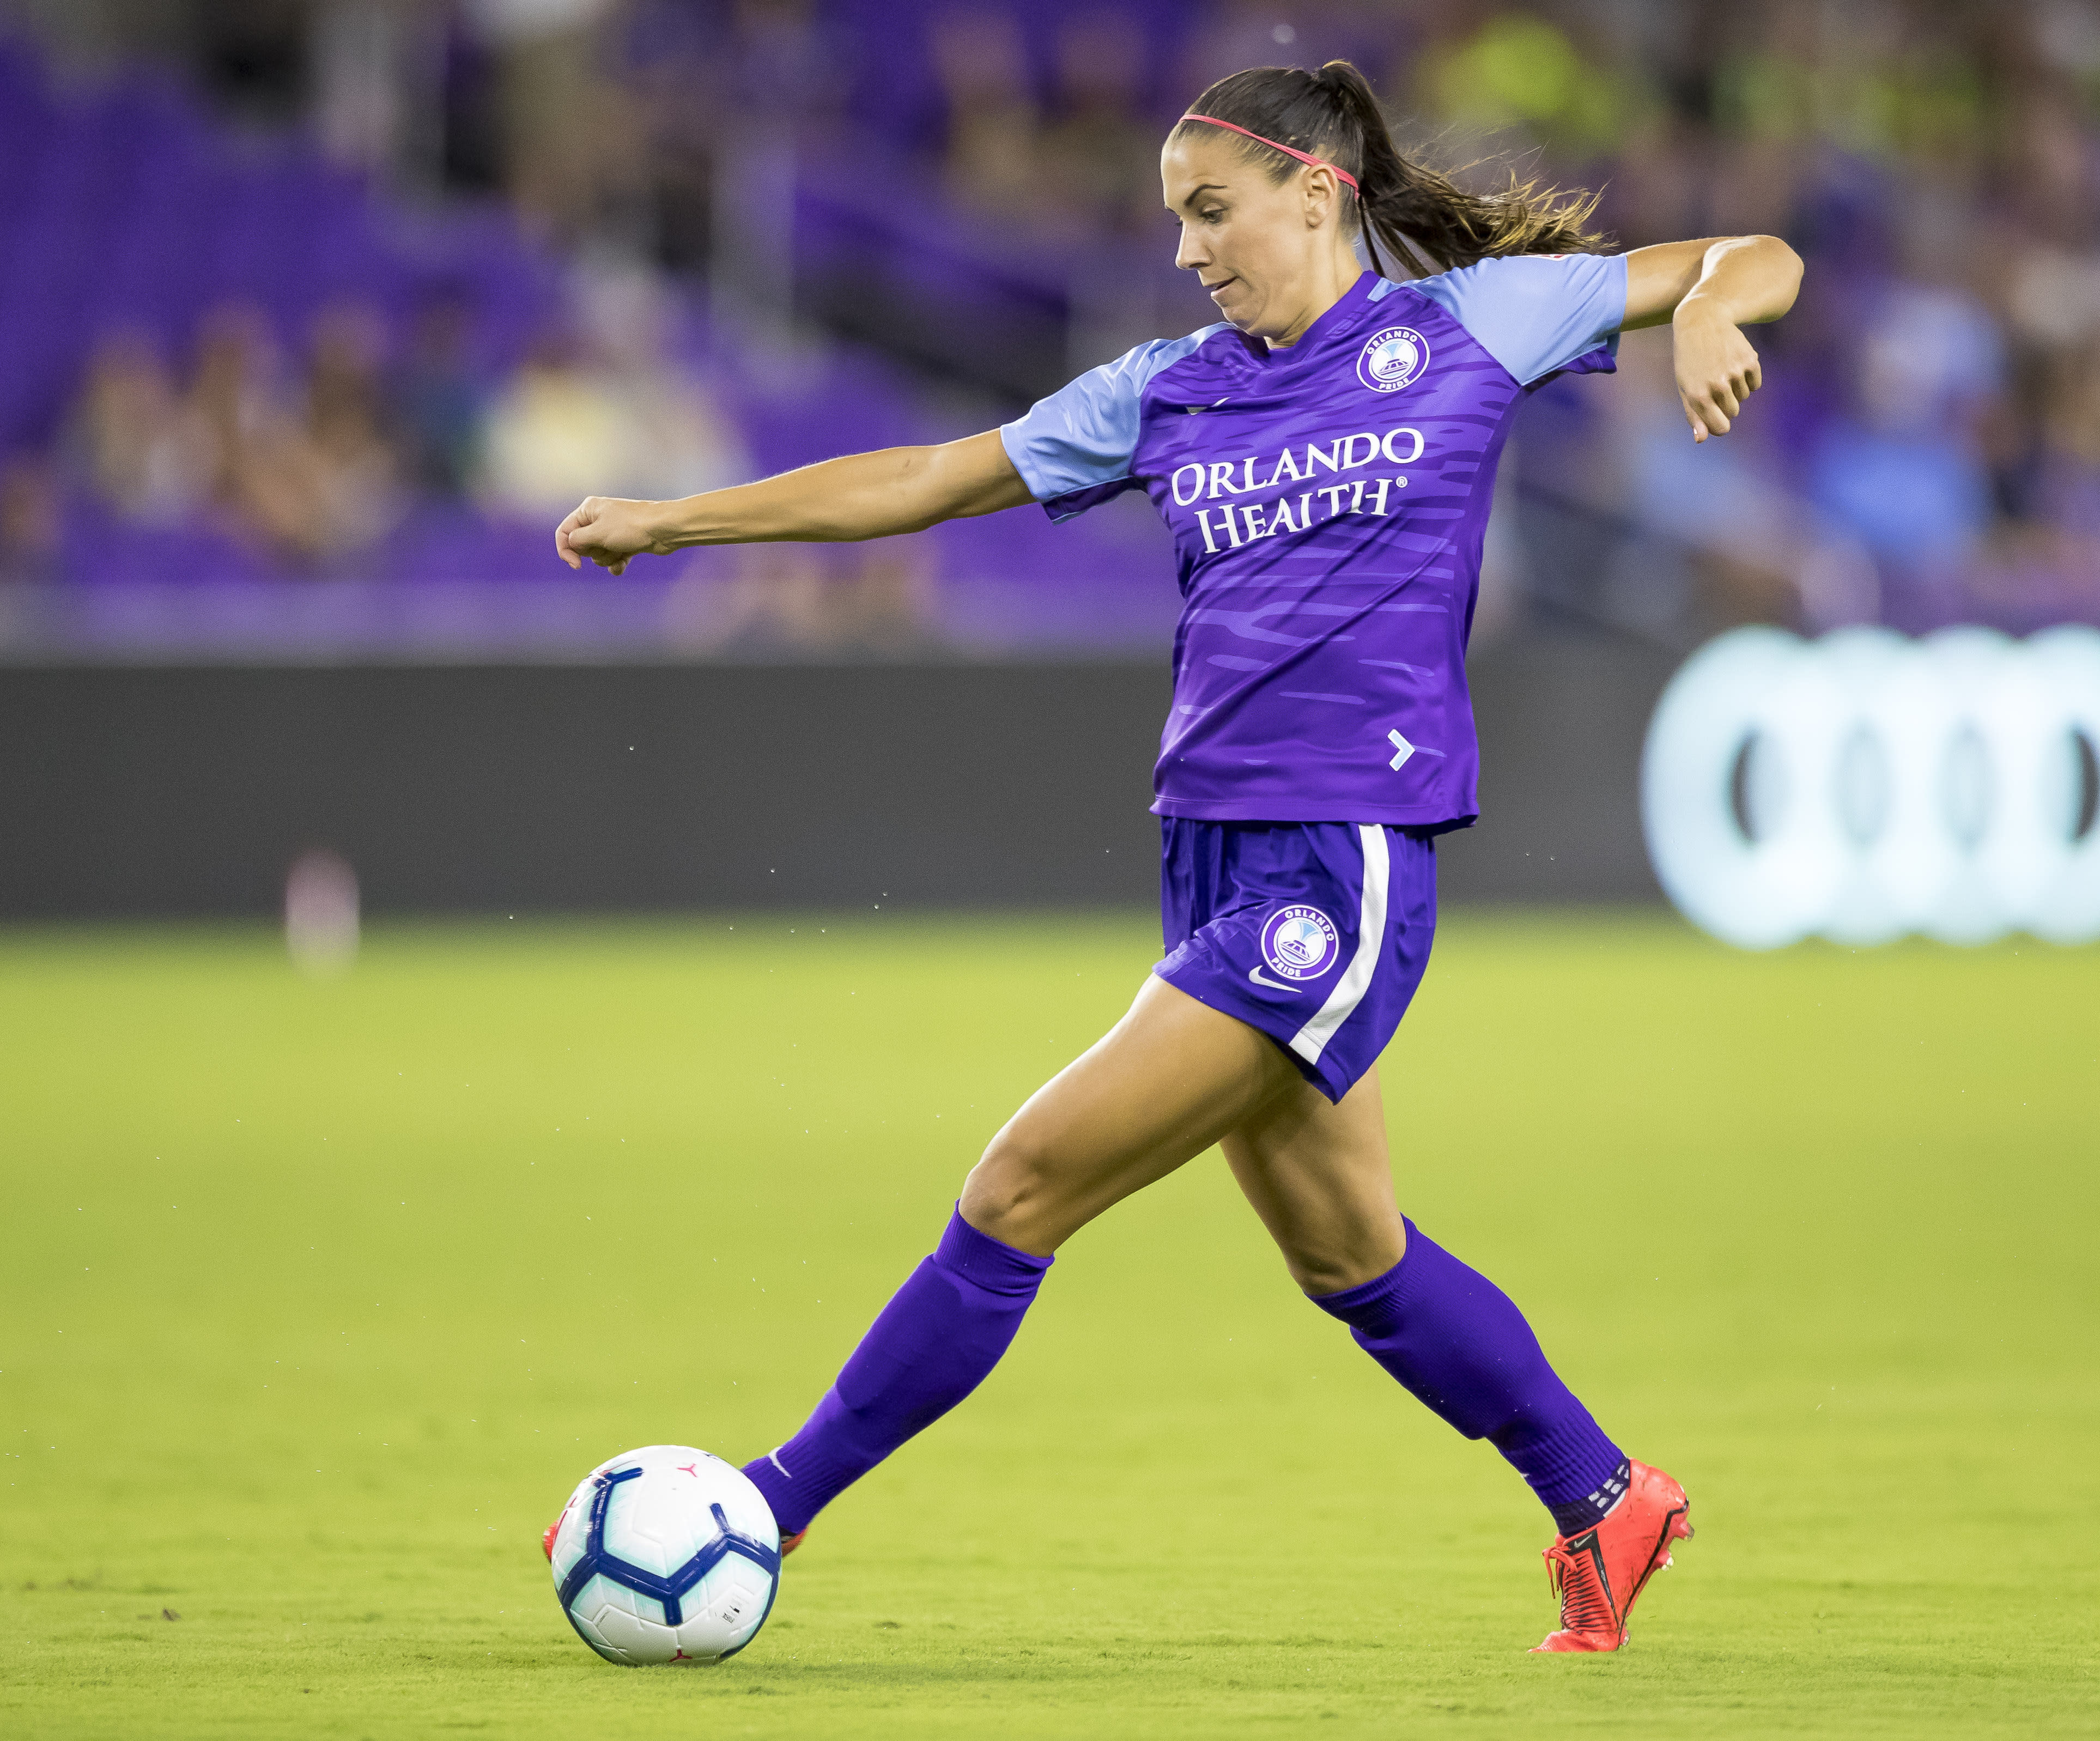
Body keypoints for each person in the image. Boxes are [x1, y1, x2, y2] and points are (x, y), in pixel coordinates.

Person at [555, 60, 1800, 1653]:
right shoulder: (1166, 388)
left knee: (1019, 1186)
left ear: (1316, 192)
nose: (1191, 248)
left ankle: (760, 1506)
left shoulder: (1469, 325)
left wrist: (1701, 305)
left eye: (1211, 211)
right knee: (1351, 1256)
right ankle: (1605, 1496)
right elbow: (930, 480)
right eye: (1174, 221)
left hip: (1334, 871)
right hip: (1206, 860)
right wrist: (675, 520)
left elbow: (1751, 256)